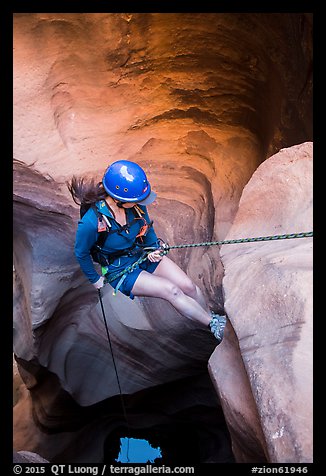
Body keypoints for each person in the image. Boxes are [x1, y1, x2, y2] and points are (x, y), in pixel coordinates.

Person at [67, 160, 226, 342]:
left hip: (142, 253)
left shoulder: (134, 204)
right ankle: (212, 324)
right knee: (171, 290)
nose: (141, 202)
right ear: (118, 199)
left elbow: (147, 229)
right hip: (119, 269)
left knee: (188, 286)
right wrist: (94, 278)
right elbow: (81, 253)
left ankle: (213, 320)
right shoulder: (91, 222)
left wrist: (154, 248)